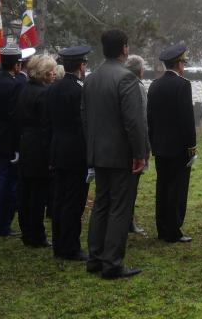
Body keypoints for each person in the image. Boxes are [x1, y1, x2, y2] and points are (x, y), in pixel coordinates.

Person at [82, 30, 147, 279]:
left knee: (101, 204)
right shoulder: (126, 79)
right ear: (125, 49)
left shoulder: (91, 78)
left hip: (99, 151)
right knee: (120, 208)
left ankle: (95, 257)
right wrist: (139, 153)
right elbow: (134, 122)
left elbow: (85, 117)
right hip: (121, 154)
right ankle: (112, 263)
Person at [147, 44, 196, 243]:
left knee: (163, 187)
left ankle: (162, 227)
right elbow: (186, 119)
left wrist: (153, 142)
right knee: (177, 189)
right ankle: (174, 229)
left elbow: (150, 117)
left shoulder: (154, 85)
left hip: (160, 145)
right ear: (178, 64)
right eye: (183, 62)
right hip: (178, 148)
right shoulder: (183, 85)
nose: (184, 66)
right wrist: (191, 147)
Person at [47, 46, 91, 261]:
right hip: (75, 151)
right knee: (74, 201)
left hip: (57, 148)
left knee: (59, 199)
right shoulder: (79, 91)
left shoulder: (53, 88)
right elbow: (84, 124)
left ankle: (58, 244)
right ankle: (70, 247)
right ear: (81, 65)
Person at [16, 54, 57, 248]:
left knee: (27, 190)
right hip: (40, 145)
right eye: (51, 71)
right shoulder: (44, 94)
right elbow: (47, 123)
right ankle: (37, 235)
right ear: (44, 74)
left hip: (26, 143)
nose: (54, 74)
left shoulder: (25, 89)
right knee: (38, 193)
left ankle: (27, 231)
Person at [0, 45, 23, 237]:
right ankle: (1, 225)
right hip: (9, 139)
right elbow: (15, 117)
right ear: (16, 66)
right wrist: (17, 146)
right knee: (6, 184)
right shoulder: (15, 86)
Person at [124, 54, 150, 235]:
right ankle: (127, 221)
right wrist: (144, 147)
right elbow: (141, 119)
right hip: (133, 146)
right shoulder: (137, 87)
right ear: (140, 71)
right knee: (130, 187)